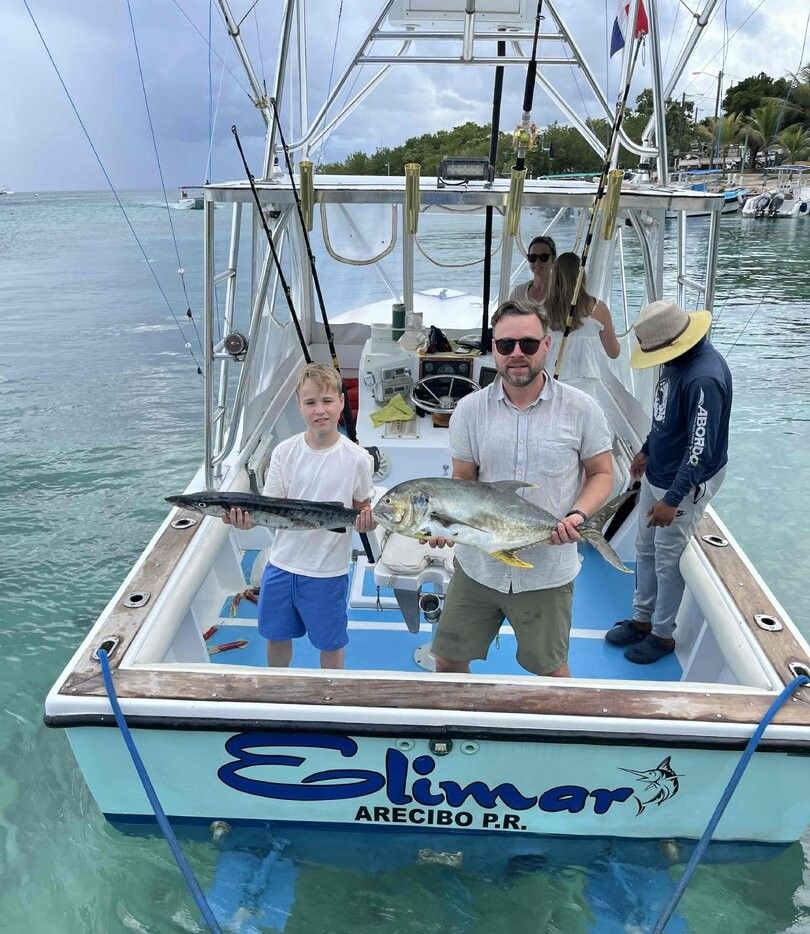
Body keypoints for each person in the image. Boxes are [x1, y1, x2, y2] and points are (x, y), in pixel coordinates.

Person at [428, 299, 614, 678]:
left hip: (547, 572)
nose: (516, 353)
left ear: (546, 345)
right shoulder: (469, 410)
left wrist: (577, 516)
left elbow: (602, 473)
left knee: (552, 673)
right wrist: (445, 521)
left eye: (527, 344)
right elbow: (463, 479)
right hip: (478, 568)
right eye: (505, 344)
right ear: (494, 348)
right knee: (447, 662)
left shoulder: (582, 409)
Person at [224, 363, 376, 669]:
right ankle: (277, 689)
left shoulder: (359, 458)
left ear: (341, 402)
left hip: (328, 571)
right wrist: (245, 521)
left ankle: (330, 690)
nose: (320, 410)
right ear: (299, 405)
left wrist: (368, 521)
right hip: (281, 564)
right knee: (276, 636)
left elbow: (362, 509)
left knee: (331, 643)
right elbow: (270, 509)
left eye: (327, 400)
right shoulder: (284, 452)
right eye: (310, 402)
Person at [604, 300, 732, 664]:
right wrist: (646, 449)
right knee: (645, 548)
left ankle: (662, 636)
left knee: (667, 559)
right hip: (658, 470)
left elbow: (700, 449)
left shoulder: (704, 378)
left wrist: (674, 498)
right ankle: (641, 619)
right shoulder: (676, 362)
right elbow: (664, 416)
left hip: (683, 482)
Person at [543, 251, 621, 391]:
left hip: (552, 383)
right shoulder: (598, 309)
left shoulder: (542, 311)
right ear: (582, 276)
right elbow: (613, 352)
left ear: (554, 277)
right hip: (586, 386)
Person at [508, 235, 557, 306]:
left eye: (543, 257)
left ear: (553, 259)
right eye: (532, 257)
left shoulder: (562, 293)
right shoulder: (518, 293)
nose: (537, 262)